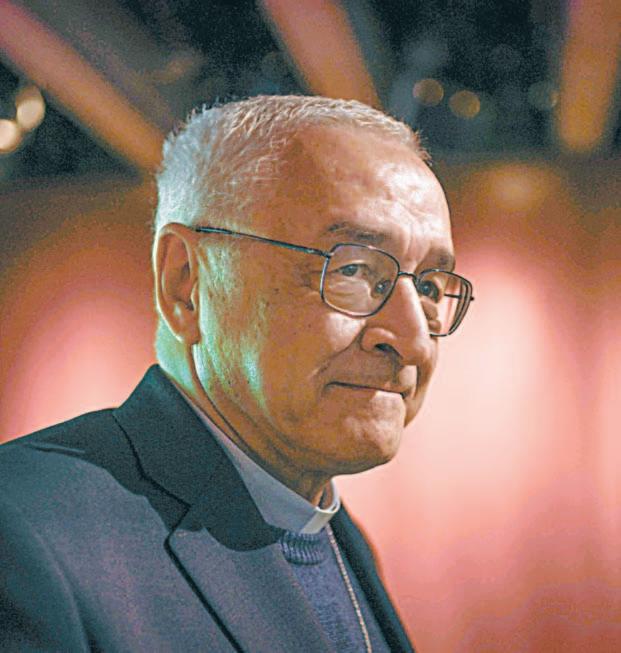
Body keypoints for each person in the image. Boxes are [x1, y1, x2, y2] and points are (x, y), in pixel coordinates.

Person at [0, 95, 473, 652]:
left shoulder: (340, 538)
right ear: (186, 284)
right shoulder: (26, 531)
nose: (413, 339)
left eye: (429, 286)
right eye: (352, 269)